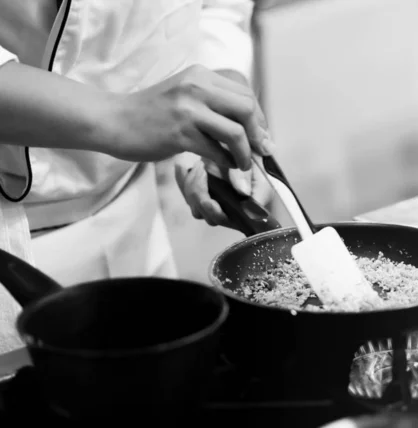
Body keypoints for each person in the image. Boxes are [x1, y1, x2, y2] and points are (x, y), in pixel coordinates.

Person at [0, 0, 273, 353]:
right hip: (13, 248)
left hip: (135, 223)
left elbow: (216, 7)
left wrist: (218, 92)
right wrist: (118, 117)